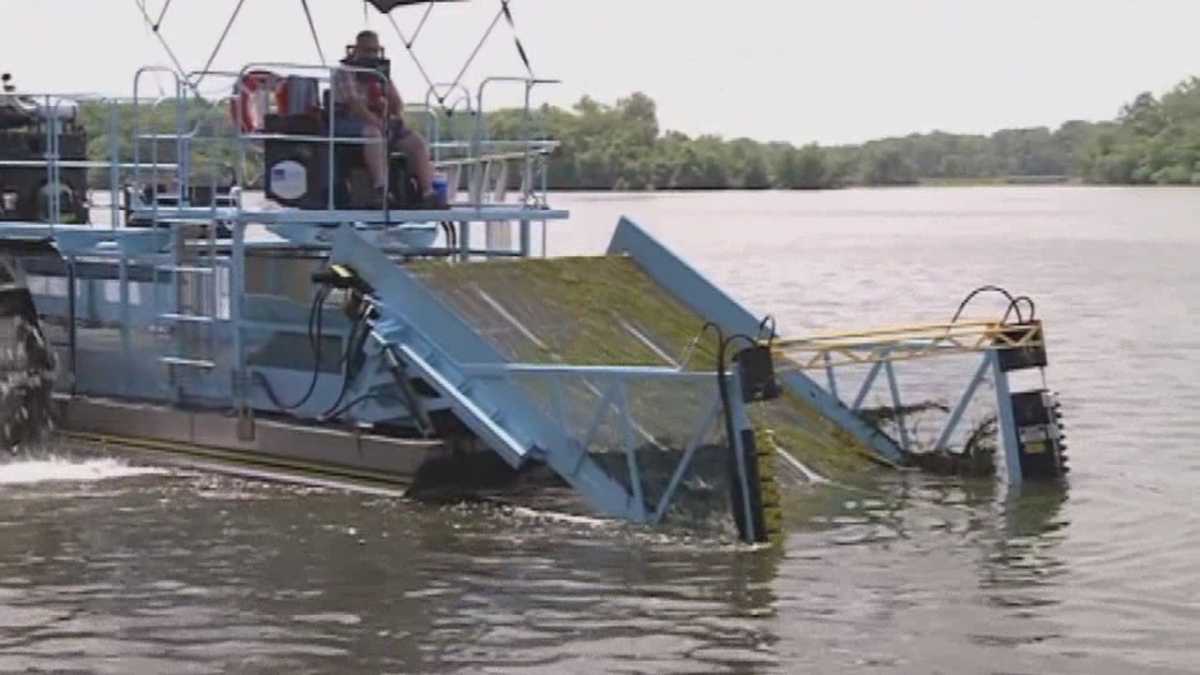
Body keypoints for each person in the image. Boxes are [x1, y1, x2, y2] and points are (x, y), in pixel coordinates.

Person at [332, 30, 439, 207]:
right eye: (367, 51)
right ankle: (381, 190)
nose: (371, 55)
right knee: (374, 134)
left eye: (375, 51)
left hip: (379, 121)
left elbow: (397, 104)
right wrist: (378, 123)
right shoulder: (345, 72)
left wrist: (386, 89)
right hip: (348, 121)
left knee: (416, 142)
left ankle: (428, 192)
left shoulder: (380, 73)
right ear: (356, 50)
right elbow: (354, 104)